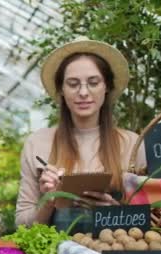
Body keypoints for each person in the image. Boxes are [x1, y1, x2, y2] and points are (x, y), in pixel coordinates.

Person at [15, 37, 146, 233]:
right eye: (73, 83)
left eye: (93, 82)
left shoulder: (132, 144)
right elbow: (21, 224)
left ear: (107, 87)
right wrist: (49, 200)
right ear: (61, 89)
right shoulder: (37, 144)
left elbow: (153, 222)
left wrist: (114, 213)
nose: (83, 92)